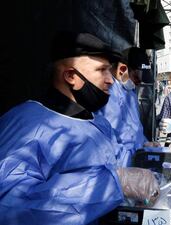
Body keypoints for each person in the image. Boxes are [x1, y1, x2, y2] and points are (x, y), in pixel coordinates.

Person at [0, 31, 159, 225]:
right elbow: (12, 207)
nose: (110, 80)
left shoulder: (97, 123)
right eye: (102, 70)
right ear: (71, 76)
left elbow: (117, 162)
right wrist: (114, 183)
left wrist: (145, 168)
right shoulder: (28, 125)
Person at [95, 47, 156, 166]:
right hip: (122, 162)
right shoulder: (110, 92)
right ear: (123, 69)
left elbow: (135, 126)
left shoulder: (130, 91)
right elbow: (117, 132)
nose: (137, 84)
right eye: (136, 79)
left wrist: (145, 142)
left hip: (136, 156)